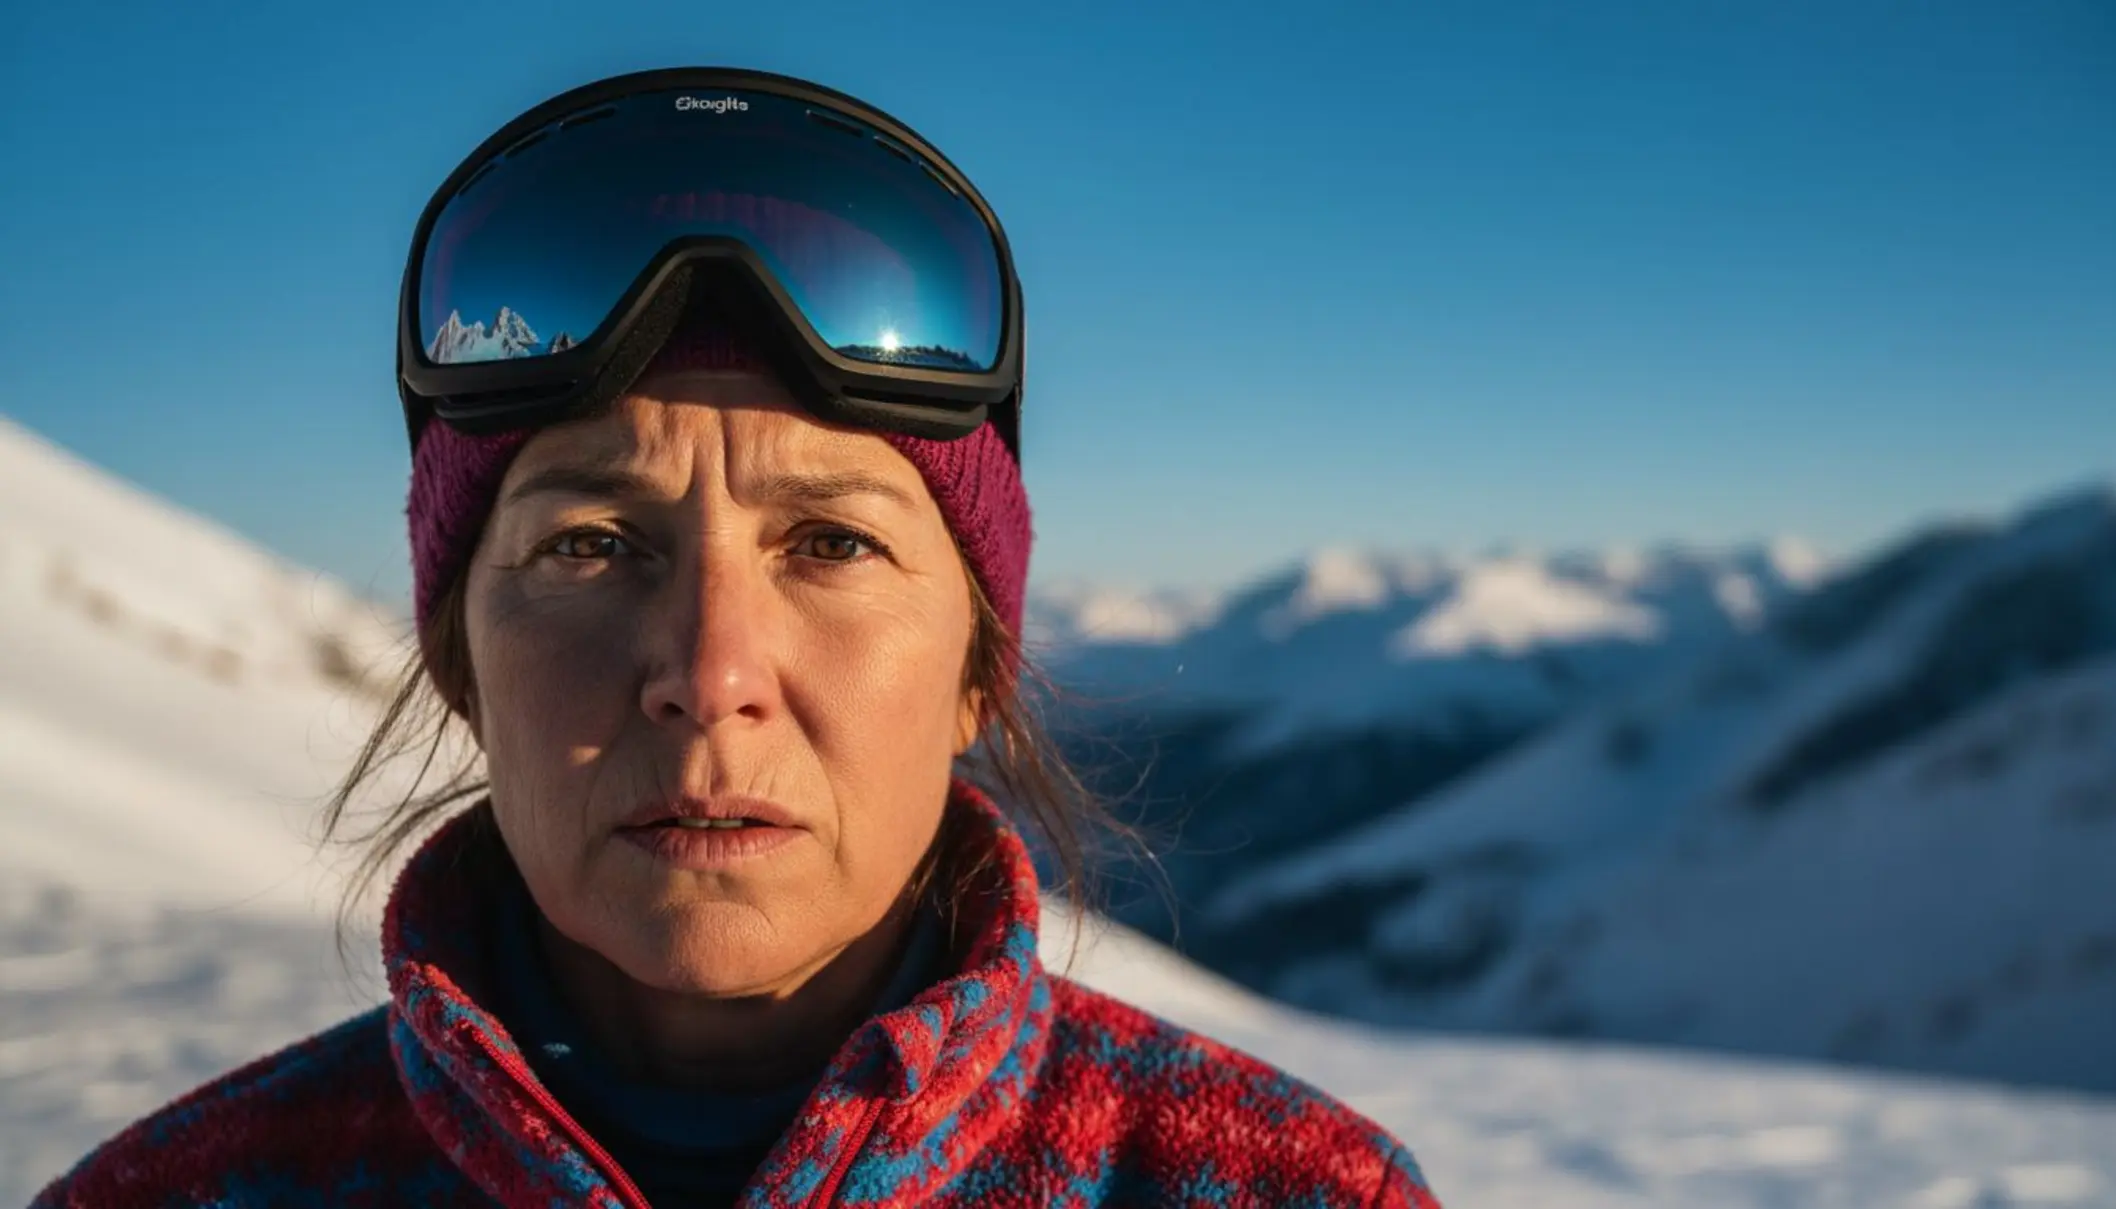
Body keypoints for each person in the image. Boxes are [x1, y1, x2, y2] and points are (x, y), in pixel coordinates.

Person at [33, 66, 1442, 1208]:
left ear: (977, 669)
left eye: (832, 544)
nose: (709, 677)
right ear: (463, 664)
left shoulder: (1288, 1194)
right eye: (588, 547)